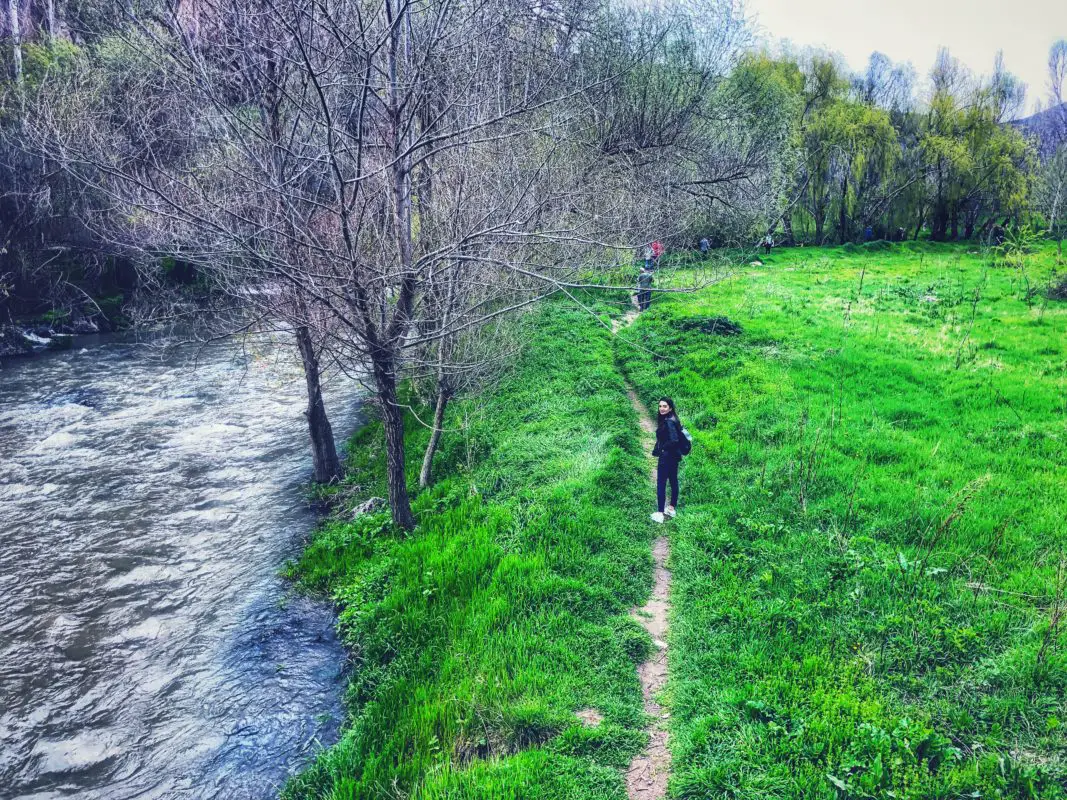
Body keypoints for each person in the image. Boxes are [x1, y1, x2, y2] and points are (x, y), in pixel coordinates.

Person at [651, 397, 683, 523]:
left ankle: (659, 513)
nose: (661, 409)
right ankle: (671, 508)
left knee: (661, 483)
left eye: (664, 406)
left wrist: (663, 449)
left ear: (670, 407)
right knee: (673, 480)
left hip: (666, 456)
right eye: (660, 406)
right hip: (674, 456)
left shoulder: (668, 422)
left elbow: (674, 440)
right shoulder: (674, 419)